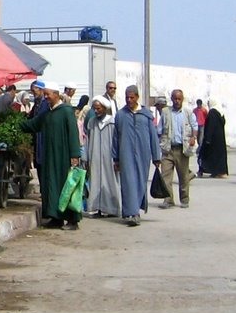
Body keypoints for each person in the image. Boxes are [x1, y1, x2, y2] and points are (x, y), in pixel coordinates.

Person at [19, 80, 82, 229]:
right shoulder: (47, 113)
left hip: (64, 158)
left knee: (67, 187)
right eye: (44, 94)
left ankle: (72, 220)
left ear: (56, 94)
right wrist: (15, 124)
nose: (45, 97)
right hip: (50, 157)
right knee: (51, 186)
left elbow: (73, 134)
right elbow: (32, 125)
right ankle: (55, 217)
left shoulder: (66, 111)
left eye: (47, 94)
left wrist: (74, 155)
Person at [111, 85, 161, 226]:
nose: (129, 100)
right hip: (125, 154)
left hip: (143, 154)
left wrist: (156, 156)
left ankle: (134, 210)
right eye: (127, 97)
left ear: (137, 97)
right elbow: (116, 138)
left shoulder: (145, 115)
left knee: (140, 181)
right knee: (128, 182)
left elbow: (153, 136)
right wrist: (115, 157)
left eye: (132, 97)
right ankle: (132, 213)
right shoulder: (121, 115)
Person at [157, 89, 197, 208]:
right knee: (165, 176)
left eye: (179, 99)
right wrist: (160, 140)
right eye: (175, 98)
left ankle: (184, 199)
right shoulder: (165, 112)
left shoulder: (187, 113)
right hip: (168, 149)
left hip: (182, 149)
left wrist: (193, 137)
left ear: (182, 99)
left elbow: (195, 126)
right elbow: (159, 129)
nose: (177, 101)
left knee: (183, 176)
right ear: (172, 99)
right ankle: (168, 199)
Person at [84, 96, 120, 217]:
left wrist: (117, 158)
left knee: (110, 182)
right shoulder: (92, 122)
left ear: (104, 108)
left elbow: (117, 142)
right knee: (95, 181)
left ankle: (112, 209)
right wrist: (85, 157)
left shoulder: (113, 122)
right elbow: (87, 141)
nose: (96, 111)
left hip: (109, 159)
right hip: (94, 158)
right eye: (94, 108)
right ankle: (97, 208)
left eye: (98, 108)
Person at [197, 104, 228, 177]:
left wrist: (208, 138)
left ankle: (205, 171)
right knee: (219, 157)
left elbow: (210, 126)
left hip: (212, 140)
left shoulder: (212, 113)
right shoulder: (220, 112)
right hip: (220, 139)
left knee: (206, 155)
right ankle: (219, 172)